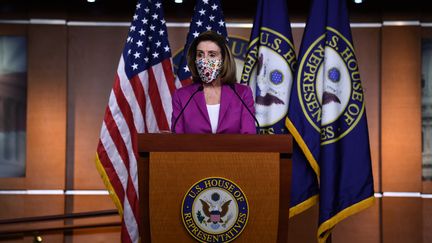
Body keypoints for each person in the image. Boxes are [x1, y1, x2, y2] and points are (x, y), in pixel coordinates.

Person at [171, 31, 256, 134]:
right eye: (200, 54)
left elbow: (249, 137)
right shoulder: (182, 96)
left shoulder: (242, 93)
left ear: (224, 59)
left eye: (212, 55)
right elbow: (177, 140)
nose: (205, 60)